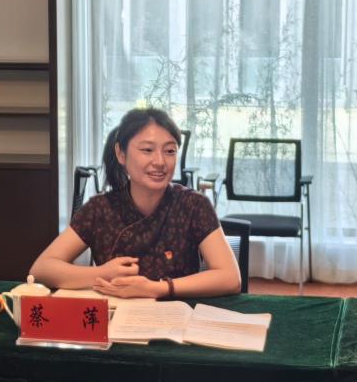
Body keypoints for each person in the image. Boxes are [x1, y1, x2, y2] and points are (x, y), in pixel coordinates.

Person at [30, 107, 240, 299]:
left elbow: (231, 277)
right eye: (147, 150)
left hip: (176, 318)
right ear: (121, 154)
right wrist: (101, 273)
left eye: (169, 151)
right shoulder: (100, 209)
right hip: (115, 318)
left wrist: (158, 288)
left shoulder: (194, 205)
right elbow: (41, 269)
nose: (160, 162)